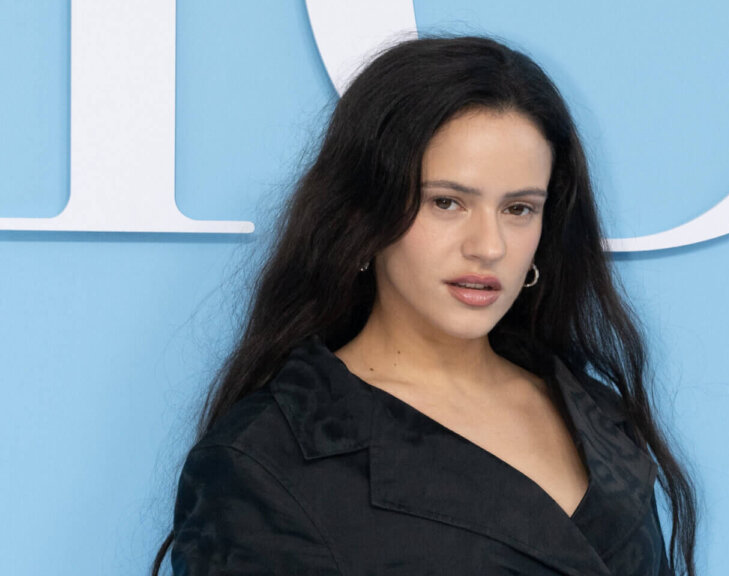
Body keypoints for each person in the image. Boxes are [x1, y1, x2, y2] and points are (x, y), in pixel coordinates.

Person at [152, 35, 698, 575]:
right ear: (365, 213)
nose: (488, 246)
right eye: (447, 202)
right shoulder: (267, 458)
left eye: (519, 209)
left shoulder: (597, 412)